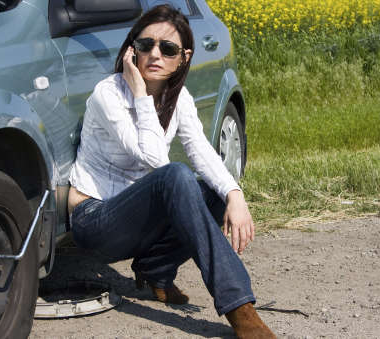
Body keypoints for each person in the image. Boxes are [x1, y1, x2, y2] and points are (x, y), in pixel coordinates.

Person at [67, 5, 275, 338]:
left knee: (214, 192)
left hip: (136, 222)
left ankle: (155, 271)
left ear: (184, 57)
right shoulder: (109, 94)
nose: (155, 54)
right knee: (176, 176)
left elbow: (202, 152)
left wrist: (235, 194)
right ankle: (240, 308)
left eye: (168, 49)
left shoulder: (179, 98)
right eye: (146, 44)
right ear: (131, 48)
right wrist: (139, 93)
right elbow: (154, 159)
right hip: (94, 220)